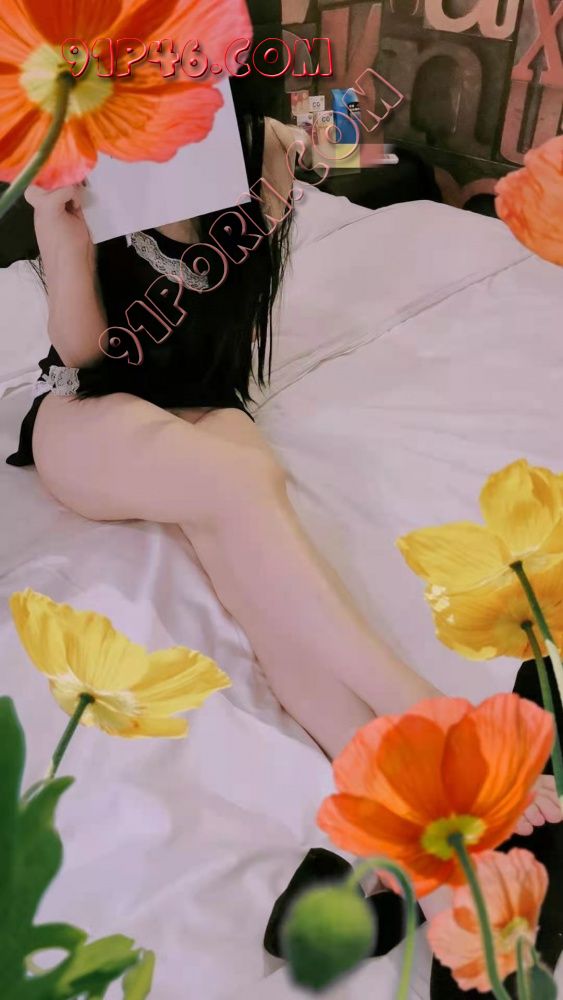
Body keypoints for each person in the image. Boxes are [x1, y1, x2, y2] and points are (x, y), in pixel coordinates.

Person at [6, 103, 558, 837]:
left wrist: (327, 142)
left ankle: (380, 770)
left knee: (261, 576)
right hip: (86, 409)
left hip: (205, 407)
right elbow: (84, 356)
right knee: (239, 484)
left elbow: (372, 149)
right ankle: (433, 714)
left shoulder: (254, 149)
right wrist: (60, 231)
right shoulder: (96, 169)